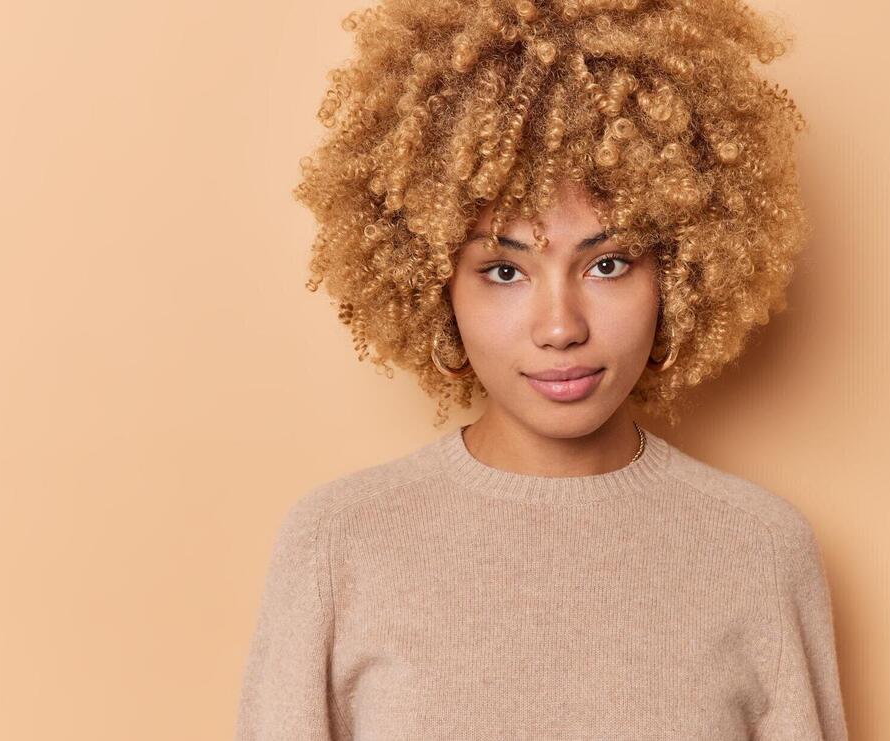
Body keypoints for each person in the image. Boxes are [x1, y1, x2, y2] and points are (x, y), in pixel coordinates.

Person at [235, 0, 847, 738]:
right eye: (503, 270)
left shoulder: (759, 550)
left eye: (608, 263)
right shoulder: (337, 545)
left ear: (680, 269)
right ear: (432, 283)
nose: (561, 327)